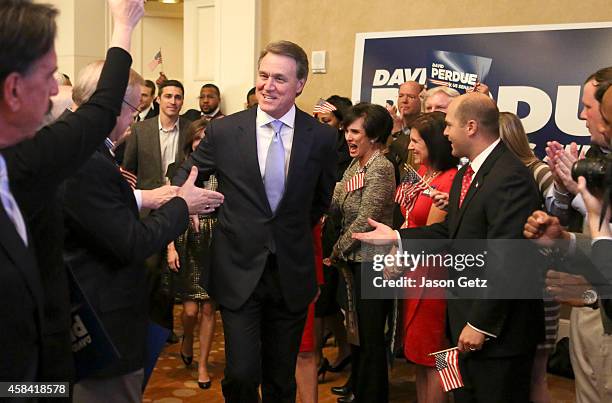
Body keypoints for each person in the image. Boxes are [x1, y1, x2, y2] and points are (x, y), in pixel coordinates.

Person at [172, 40, 337, 403]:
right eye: (263, 75)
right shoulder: (225, 131)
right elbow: (186, 175)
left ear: (300, 84)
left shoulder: (322, 137)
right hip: (238, 271)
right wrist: (190, 207)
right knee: (242, 374)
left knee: (281, 379)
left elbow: (320, 200)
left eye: (279, 78)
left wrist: (285, 231)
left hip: (290, 275)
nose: (268, 85)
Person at [354, 93, 543, 403]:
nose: (444, 133)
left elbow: (507, 259)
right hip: (466, 321)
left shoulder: (509, 177)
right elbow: (449, 231)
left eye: (449, 125)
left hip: (498, 334)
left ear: (471, 127)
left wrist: (480, 323)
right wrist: (398, 238)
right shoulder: (471, 173)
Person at [0, 0, 143, 384]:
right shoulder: (30, 161)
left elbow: (99, 109)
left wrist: (123, 27)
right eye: (48, 75)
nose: (55, 89)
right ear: (13, 89)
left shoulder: (29, 157)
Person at [61, 60, 218, 403]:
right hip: (102, 323)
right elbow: (130, 241)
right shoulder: (85, 155)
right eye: (132, 108)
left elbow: (94, 212)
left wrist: (146, 197)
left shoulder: (76, 142)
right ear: (109, 104)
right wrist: (181, 205)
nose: (134, 117)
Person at [327, 102, 396, 403]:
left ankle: (372, 394)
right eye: (347, 130)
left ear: (375, 135)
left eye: (355, 131)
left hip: (372, 263)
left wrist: (336, 250)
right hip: (352, 263)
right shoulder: (357, 164)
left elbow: (365, 220)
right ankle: (358, 385)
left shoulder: (381, 167)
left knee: (370, 338)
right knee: (356, 333)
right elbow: (336, 199)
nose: (348, 137)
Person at [397, 112, 458, 403]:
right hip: (413, 274)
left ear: (433, 144)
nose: (410, 147)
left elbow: (433, 236)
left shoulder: (449, 180)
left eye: (416, 141)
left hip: (435, 280)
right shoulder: (422, 173)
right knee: (420, 357)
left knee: (437, 356)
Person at [165, 118, 218, 389]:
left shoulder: (223, 170)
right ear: (191, 143)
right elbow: (168, 211)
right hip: (185, 241)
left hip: (214, 244)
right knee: (188, 311)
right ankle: (187, 339)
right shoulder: (178, 170)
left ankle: (203, 364)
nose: (202, 144)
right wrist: (170, 246)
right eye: (198, 139)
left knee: (209, 309)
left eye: (207, 139)